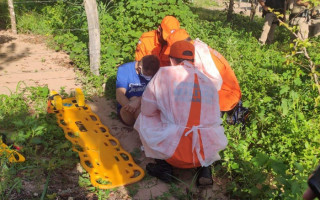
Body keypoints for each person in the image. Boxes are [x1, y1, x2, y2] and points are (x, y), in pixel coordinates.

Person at [134, 40, 228, 185]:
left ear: (172, 60)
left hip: (173, 153)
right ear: (193, 60)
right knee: (204, 125)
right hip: (203, 152)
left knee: (144, 117)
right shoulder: (208, 81)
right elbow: (215, 118)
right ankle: (205, 168)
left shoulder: (164, 74)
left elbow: (147, 109)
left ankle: (164, 166)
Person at [165, 29, 247, 125]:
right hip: (224, 94)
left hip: (226, 98)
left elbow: (215, 84)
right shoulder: (195, 47)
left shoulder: (199, 54)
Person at [116, 55, 160, 126]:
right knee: (135, 101)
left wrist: (139, 100)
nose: (150, 76)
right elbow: (119, 95)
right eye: (148, 74)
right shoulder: (124, 70)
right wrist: (131, 107)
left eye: (152, 75)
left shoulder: (155, 71)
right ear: (140, 68)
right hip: (128, 107)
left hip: (147, 104)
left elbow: (158, 94)